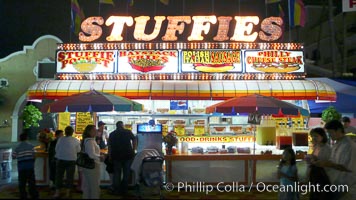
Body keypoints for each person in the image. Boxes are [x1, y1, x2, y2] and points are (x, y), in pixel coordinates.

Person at [314, 120, 356, 199]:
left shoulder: (349, 145)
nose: (329, 135)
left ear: (339, 130)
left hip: (347, 186)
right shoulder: (337, 144)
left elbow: (347, 167)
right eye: (328, 133)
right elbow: (333, 160)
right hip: (336, 183)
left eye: (331, 132)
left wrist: (326, 164)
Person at [108, 121, 137, 196]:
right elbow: (134, 140)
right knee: (126, 173)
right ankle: (124, 190)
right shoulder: (128, 132)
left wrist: (110, 156)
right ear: (122, 125)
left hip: (116, 156)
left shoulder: (112, 134)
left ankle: (116, 190)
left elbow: (109, 146)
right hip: (128, 155)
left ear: (116, 126)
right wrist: (133, 150)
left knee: (117, 174)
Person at [53, 126, 81, 199]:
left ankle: (57, 192)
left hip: (60, 159)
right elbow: (78, 150)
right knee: (70, 177)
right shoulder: (76, 140)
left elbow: (56, 149)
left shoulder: (60, 139)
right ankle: (68, 193)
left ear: (65, 132)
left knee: (59, 176)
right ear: (72, 132)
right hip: (71, 160)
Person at [12, 133, 39, 199]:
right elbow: (34, 155)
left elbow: (13, 156)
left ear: (20, 139)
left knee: (22, 183)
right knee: (31, 182)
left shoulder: (17, 147)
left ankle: (23, 195)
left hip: (21, 167)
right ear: (27, 138)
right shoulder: (31, 146)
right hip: (30, 166)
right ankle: (33, 194)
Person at [307, 128, 331, 200]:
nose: (314, 138)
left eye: (316, 136)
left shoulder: (326, 148)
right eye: (312, 136)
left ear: (322, 136)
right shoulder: (316, 146)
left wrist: (312, 160)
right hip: (314, 176)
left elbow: (324, 162)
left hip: (322, 177)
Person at [81, 124, 104, 199]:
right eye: (94, 130)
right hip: (93, 166)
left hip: (88, 166)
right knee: (94, 186)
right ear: (90, 132)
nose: (96, 131)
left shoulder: (87, 140)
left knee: (87, 186)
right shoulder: (90, 141)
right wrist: (100, 157)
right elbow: (91, 155)